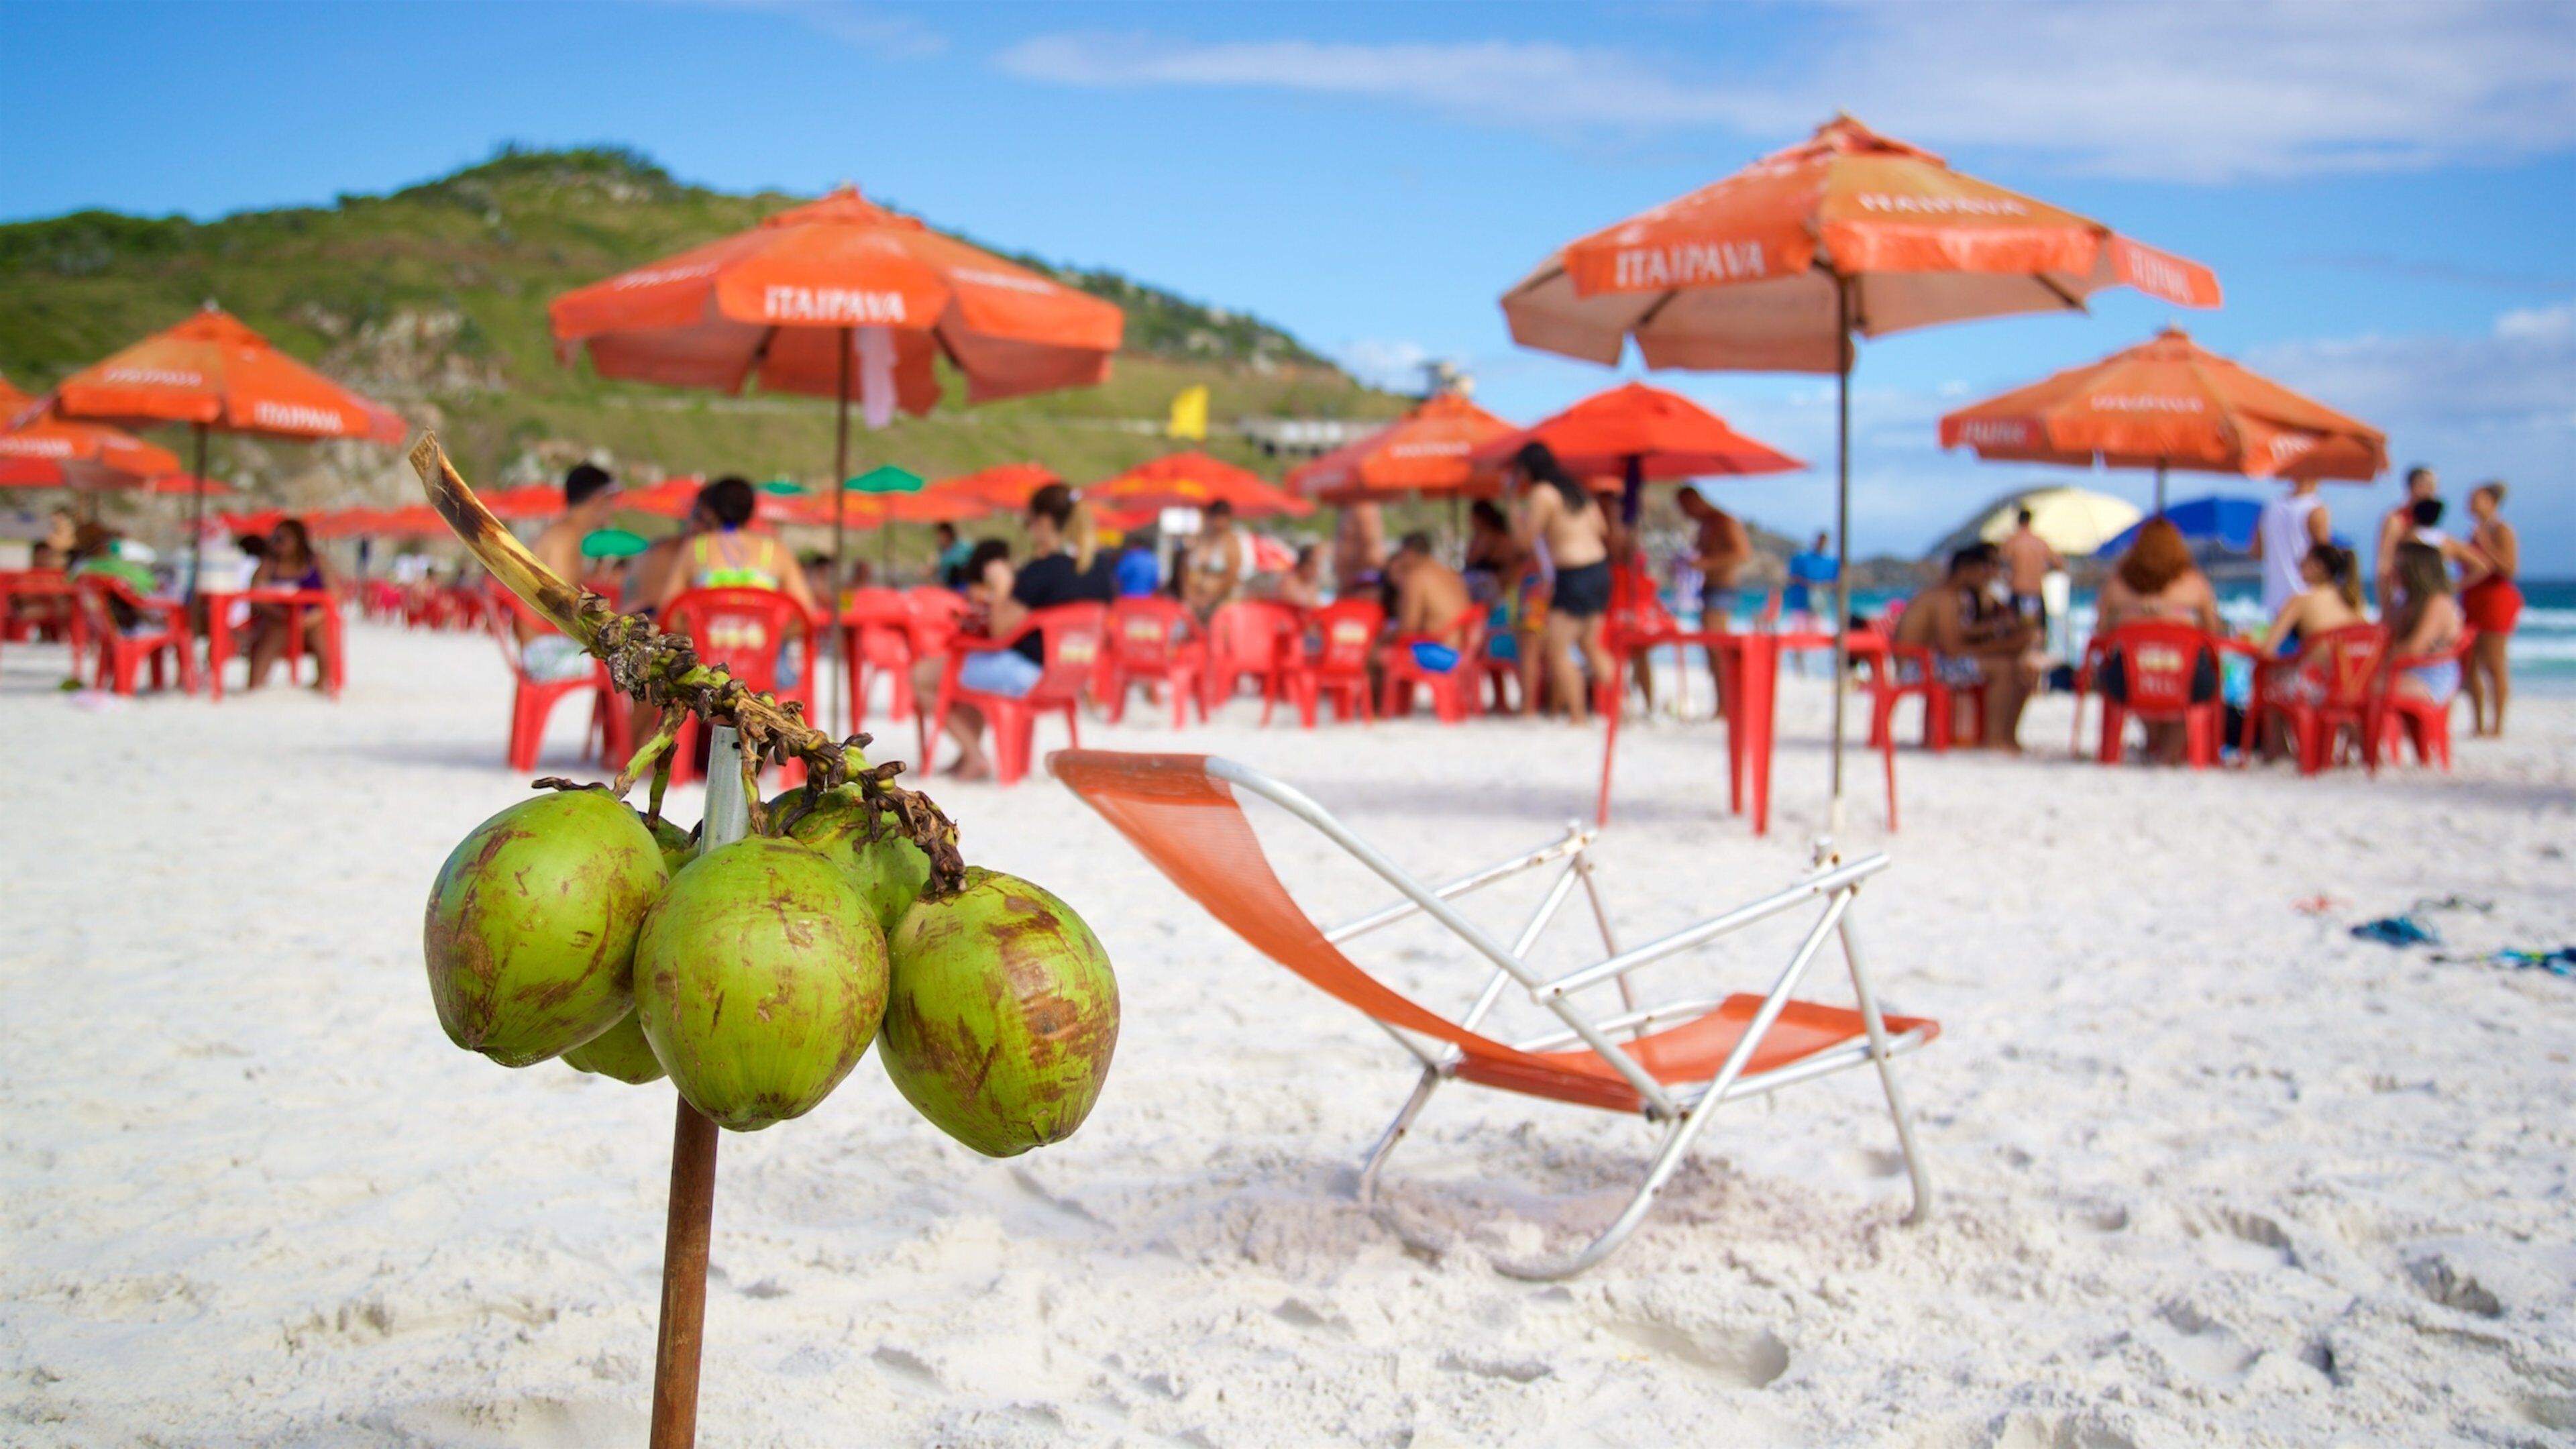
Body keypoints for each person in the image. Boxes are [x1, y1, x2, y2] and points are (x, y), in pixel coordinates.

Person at [914, 483, 1110, 780]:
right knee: (968, 674)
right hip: (1072, 676)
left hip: (1027, 675)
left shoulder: (1043, 570)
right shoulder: (1098, 570)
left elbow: (998, 629)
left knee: (921, 676)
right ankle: (969, 754)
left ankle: (974, 754)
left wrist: (1003, 585)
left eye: (1028, 522)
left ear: (1044, 522)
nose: (1029, 530)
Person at [1889, 543, 2037, 749]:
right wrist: (2004, 646)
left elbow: (1960, 638)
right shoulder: (1943, 597)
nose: (1988, 576)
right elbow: (1954, 649)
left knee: (2019, 667)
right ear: (1966, 571)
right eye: (1984, 570)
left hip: (1928, 663)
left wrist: (1999, 634)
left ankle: (2007, 738)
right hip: (1917, 668)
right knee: (2003, 668)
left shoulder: (1956, 596)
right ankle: (1995, 739)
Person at [1511, 441, 1612, 725]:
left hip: (1574, 573)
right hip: (1599, 570)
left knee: (1556, 648)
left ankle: (1579, 717)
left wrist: (1510, 508)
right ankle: (1621, 709)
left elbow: (1524, 542)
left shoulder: (1543, 493)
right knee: (1590, 645)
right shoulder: (1576, 490)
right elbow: (1601, 529)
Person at [655, 476, 818, 616]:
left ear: (713, 510)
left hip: (706, 648)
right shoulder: (774, 550)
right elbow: (806, 609)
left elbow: (667, 609)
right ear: (751, 510)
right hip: (761, 648)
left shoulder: (696, 549)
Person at [519, 462, 622, 682]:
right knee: (632, 663)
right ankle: (621, 718)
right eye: (612, 500)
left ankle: (610, 717)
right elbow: (565, 606)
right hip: (545, 653)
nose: (614, 508)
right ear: (598, 499)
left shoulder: (562, 532)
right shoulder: (567, 536)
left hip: (538, 645)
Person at [1677, 486, 1752, 716]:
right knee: (1712, 650)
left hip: (1723, 588)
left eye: (1685, 507)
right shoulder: (1706, 525)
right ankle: (1722, 705)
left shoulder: (1725, 521)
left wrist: (1708, 564)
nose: (1684, 513)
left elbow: (1743, 554)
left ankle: (1728, 706)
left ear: (1695, 501)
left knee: (1718, 648)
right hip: (1707, 589)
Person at [2453, 482, 2519, 737]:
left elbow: (2510, 570)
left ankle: (2497, 726)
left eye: (2476, 498)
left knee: (2494, 664)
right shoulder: (2475, 532)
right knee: (2469, 665)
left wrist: (2487, 545)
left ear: (2492, 502)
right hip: (2473, 601)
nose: (2470, 503)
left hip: (2496, 601)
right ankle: (2478, 724)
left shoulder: (2502, 530)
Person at [244, 518, 337, 690]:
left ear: (298, 539)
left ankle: (323, 684)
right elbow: (255, 594)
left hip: (313, 618)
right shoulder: (269, 564)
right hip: (278, 618)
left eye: (282, 538)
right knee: (274, 632)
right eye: (275, 538)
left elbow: (336, 594)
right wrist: (281, 614)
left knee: (322, 633)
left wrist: (314, 616)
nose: (277, 542)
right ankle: (255, 687)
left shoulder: (316, 561)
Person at [2096, 517, 2222, 637]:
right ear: (2176, 546)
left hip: (2128, 657)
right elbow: (2212, 629)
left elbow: (2101, 630)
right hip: (2184, 657)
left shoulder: (2116, 585)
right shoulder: (2195, 584)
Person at [2383, 539, 2463, 707]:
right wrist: (2386, 593)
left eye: (2398, 564)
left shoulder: (2437, 603)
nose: (2393, 569)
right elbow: (2387, 634)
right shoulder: (2409, 601)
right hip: (2411, 670)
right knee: (2352, 688)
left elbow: (2413, 648)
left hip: (2430, 675)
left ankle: (2373, 733)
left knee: (2360, 689)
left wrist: (2373, 660)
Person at [2254, 477, 2334, 619]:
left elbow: (2256, 552)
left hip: (2273, 601)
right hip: (2305, 604)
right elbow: (2325, 563)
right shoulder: (2316, 510)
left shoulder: (2272, 506)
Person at [2375, 466, 2439, 607]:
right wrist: (2386, 602)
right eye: (2429, 486)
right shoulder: (2397, 519)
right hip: (2404, 592)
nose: (2433, 491)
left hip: (2425, 590)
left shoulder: (2426, 522)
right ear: (2415, 487)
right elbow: (2385, 562)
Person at [1997, 508, 2064, 629]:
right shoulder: (2040, 542)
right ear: (2030, 521)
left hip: (2018, 589)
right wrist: (2044, 570)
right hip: (2036, 591)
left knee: (2016, 633)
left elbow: (1999, 563)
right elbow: (2059, 563)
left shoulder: (2012, 542)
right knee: (2038, 633)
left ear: (2018, 522)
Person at [1183, 500, 1246, 618]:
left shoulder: (1231, 542)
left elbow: (1232, 575)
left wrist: (1209, 599)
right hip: (1196, 603)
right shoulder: (1197, 540)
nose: (1219, 521)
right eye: (1216, 515)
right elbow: (1184, 573)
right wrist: (1191, 598)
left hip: (1221, 604)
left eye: (1223, 516)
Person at [1332, 500, 1384, 600]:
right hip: (1350, 586)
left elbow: (1372, 551)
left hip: (1358, 589)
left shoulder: (1364, 507)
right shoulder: (1354, 508)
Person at [1268, 543, 1327, 609]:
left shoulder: (1312, 584)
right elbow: (1294, 604)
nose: (1316, 570)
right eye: (1313, 565)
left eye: (1317, 566)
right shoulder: (1288, 580)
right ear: (1303, 564)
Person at [932, 521, 974, 588]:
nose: (938, 539)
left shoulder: (963, 547)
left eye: (940, 535)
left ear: (947, 534)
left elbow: (957, 562)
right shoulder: (944, 550)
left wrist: (936, 568)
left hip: (962, 584)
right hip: (949, 584)